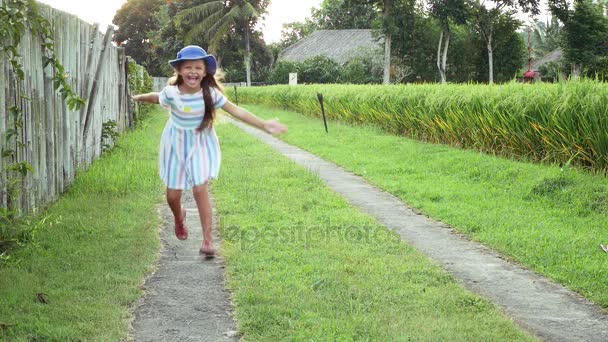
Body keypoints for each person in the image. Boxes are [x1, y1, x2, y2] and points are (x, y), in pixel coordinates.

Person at [132, 45, 287, 258]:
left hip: (200, 145)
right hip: (175, 145)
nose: (193, 71)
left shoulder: (210, 94)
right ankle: (179, 217)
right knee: (172, 195)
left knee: (199, 187)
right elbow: (155, 97)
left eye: (198, 67)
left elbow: (237, 111)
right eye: (188, 67)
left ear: (205, 72)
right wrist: (138, 97)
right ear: (179, 70)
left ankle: (207, 239)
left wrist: (264, 125)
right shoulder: (171, 93)